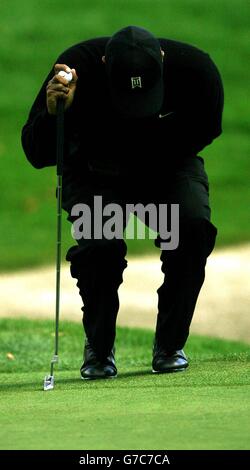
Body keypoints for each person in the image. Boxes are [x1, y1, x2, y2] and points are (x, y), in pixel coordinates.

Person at [22, 26, 224, 379]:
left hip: (167, 164)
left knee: (192, 226)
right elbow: (36, 152)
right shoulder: (72, 73)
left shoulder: (197, 73)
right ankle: (99, 350)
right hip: (94, 171)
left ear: (162, 61)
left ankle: (170, 344)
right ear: (103, 64)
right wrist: (55, 116)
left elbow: (203, 130)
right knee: (100, 246)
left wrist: (141, 153)